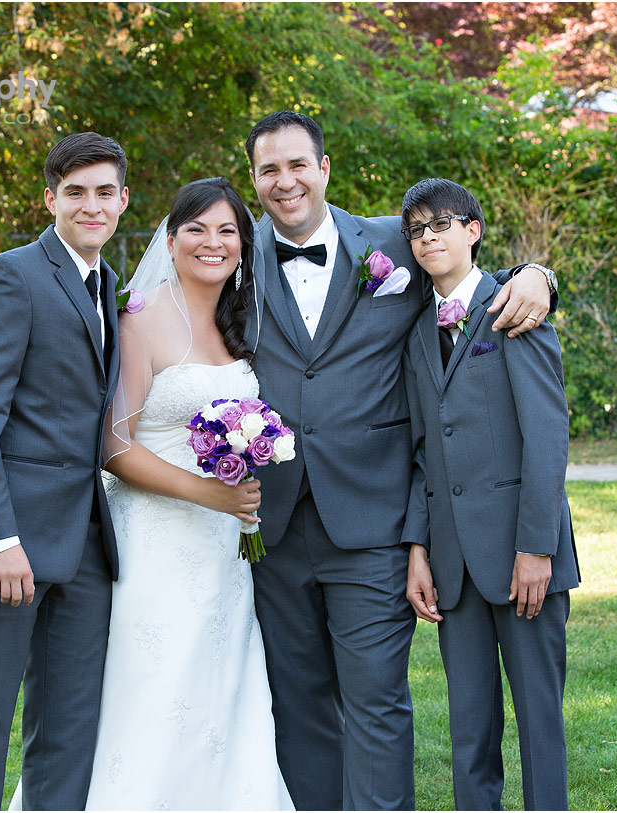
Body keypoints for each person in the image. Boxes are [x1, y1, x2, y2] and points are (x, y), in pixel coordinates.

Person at [243, 111, 559, 810]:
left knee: (378, 703)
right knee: (297, 705)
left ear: (325, 168)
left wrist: (537, 275)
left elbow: (467, 276)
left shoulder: (392, 241)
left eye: (298, 164)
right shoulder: (230, 253)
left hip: (374, 520)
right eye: (269, 169)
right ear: (254, 181)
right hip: (273, 526)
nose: (285, 181)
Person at [9, 177, 293, 810]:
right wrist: (209, 493)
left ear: (245, 245)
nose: (211, 243)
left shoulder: (241, 317)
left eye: (227, 231)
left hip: (223, 548)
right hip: (155, 543)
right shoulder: (138, 314)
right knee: (152, 687)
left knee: (223, 690)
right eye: (195, 229)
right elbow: (114, 448)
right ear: (170, 238)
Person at [0, 132, 128, 811]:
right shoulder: (12, 275)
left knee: (69, 734)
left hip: (85, 548)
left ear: (124, 200)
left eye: (104, 192)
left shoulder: (109, 286)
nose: (90, 205)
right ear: (50, 199)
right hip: (3, 546)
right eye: (75, 192)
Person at [400, 178, 579, 811]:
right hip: (453, 563)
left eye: (441, 224)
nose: (428, 238)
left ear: (473, 230)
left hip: (522, 555)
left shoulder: (517, 310)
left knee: (538, 721)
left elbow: (546, 437)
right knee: (469, 729)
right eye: (417, 231)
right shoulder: (417, 330)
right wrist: (418, 548)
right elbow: (423, 450)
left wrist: (537, 547)